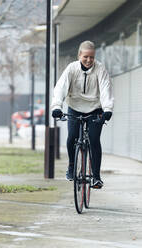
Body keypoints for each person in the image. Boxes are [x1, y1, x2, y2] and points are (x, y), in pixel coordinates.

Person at [51, 40, 114, 189]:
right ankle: (72, 166)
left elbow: (106, 89)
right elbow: (60, 87)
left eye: (92, 57)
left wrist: (107, 109)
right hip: (75, 107)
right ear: (79, 55)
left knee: (94, 140)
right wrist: (56, 106)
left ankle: (96, 177)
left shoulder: (100, 69)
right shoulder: (71, 69)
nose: (88, 60)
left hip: (95, 108)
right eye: (85, 56)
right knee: (72, 137)